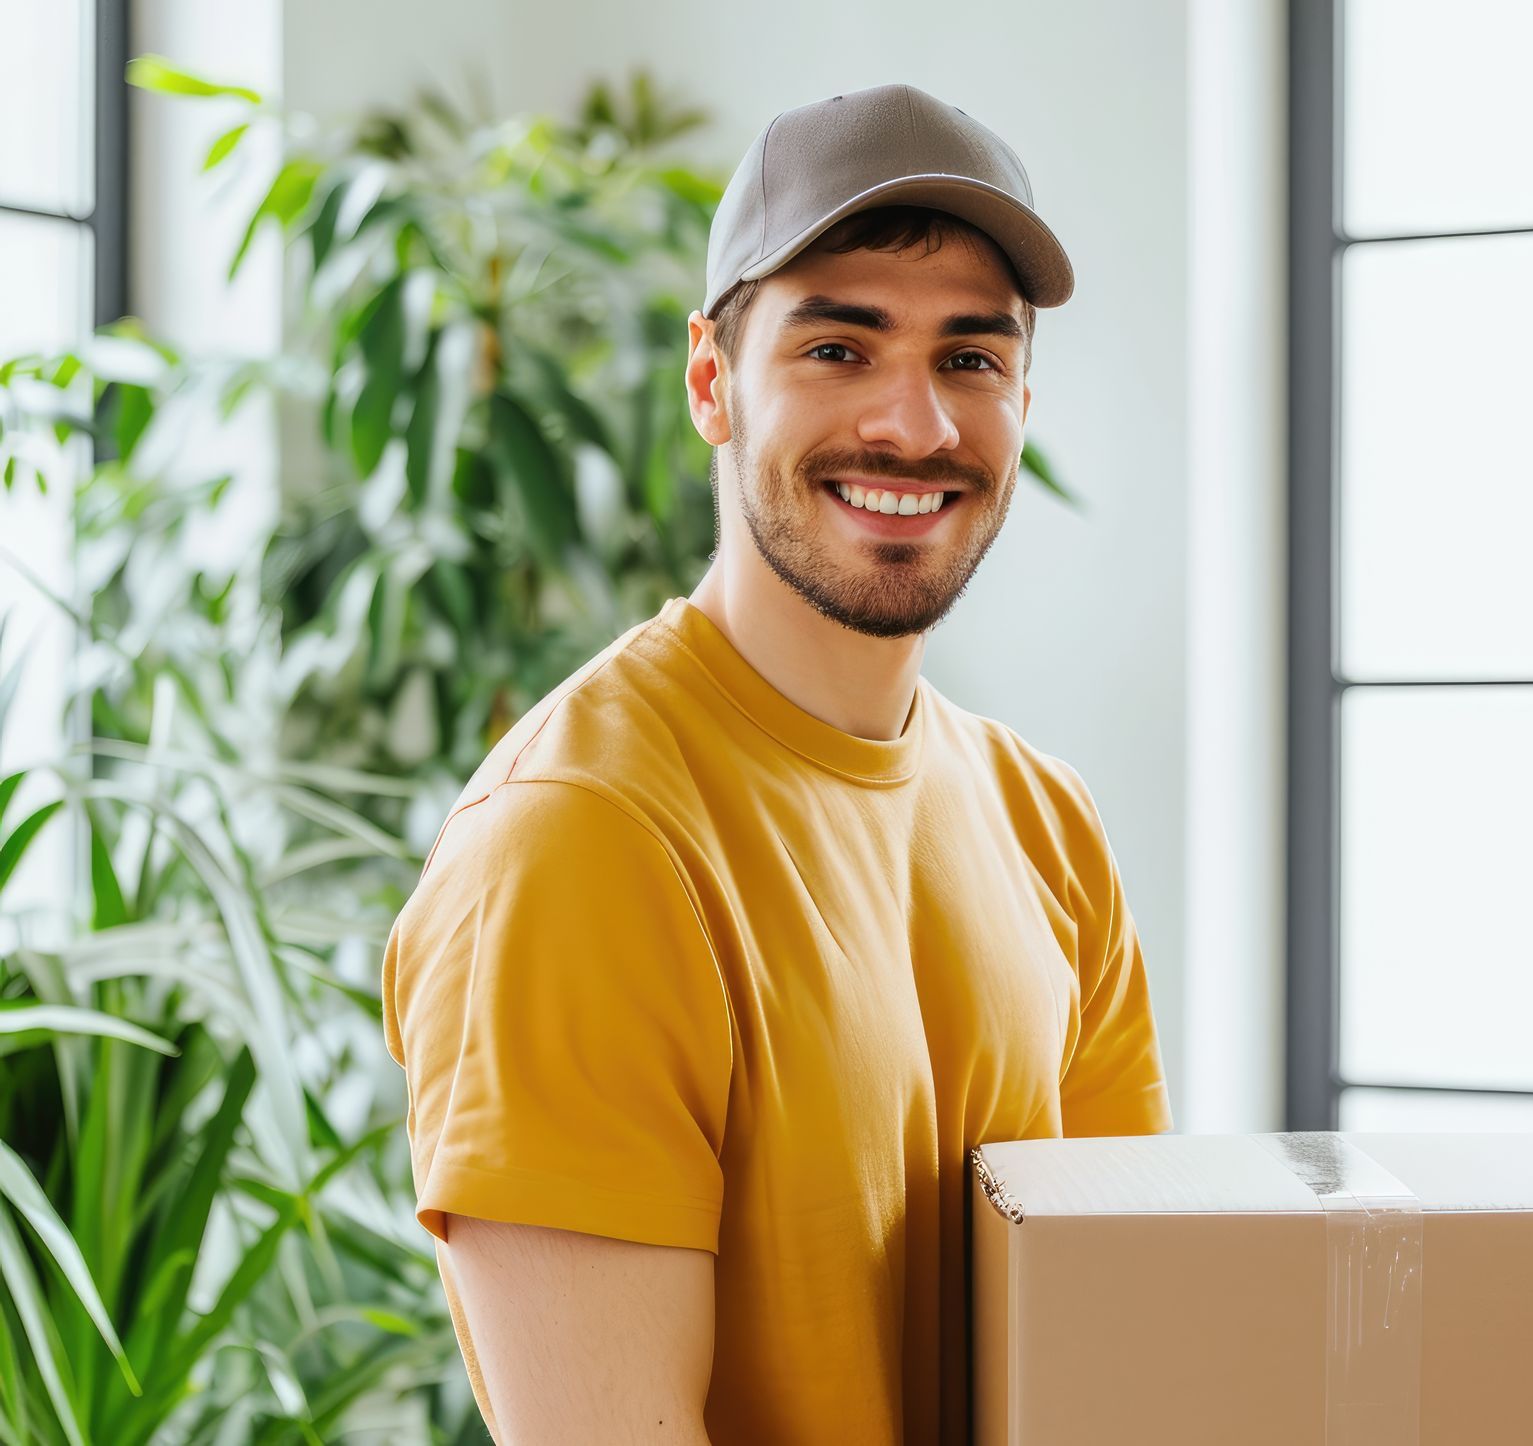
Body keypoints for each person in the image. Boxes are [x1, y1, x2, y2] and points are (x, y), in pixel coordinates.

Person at [380, 81, 1174, 1445]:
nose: (916, 426)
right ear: (712, 382)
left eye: (969, 359)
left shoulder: (1048, 823)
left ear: (1022, 399)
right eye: (839, 349)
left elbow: (1119, 1354)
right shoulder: (581, 843)